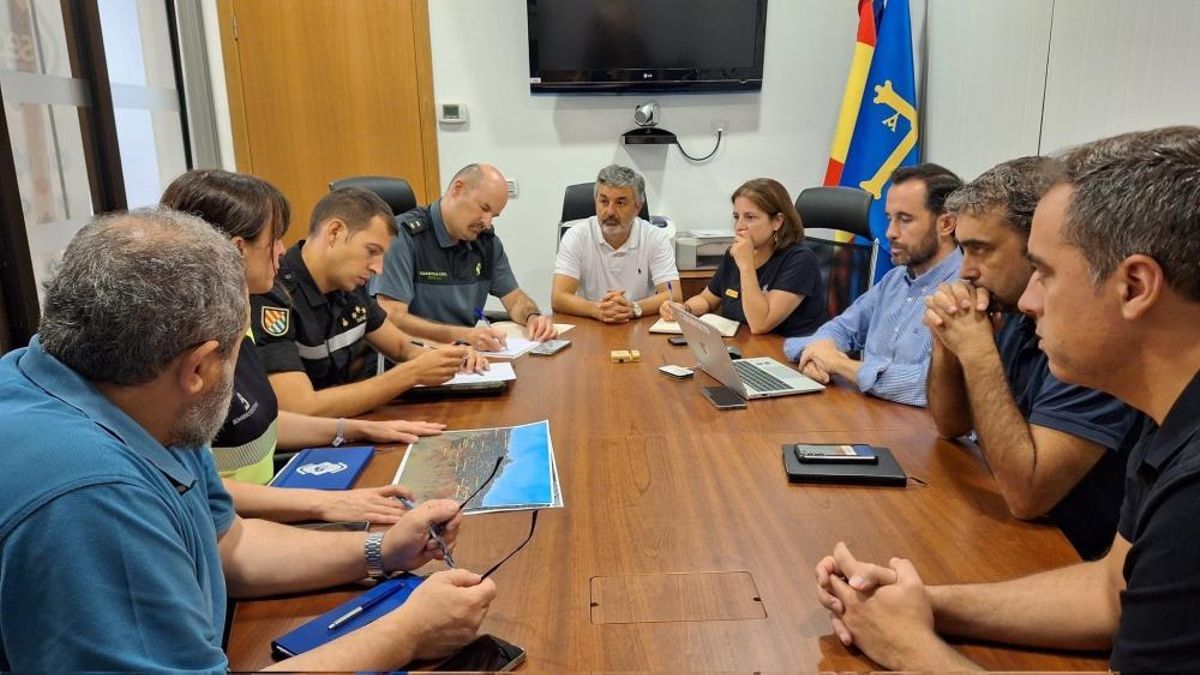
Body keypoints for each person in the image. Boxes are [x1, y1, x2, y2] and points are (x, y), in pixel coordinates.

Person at [0, 209, 496, 671]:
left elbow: (230, 544)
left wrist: (379, 549)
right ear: (198, 367)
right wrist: (407, 633)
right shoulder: (90, 495)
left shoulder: (135, 395)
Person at [813, 127, 1200, 671]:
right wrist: (922, 603)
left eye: (1044, 271)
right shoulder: (1174, 423)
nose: (1031, 300)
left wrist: (910, 648)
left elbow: (1029, 494)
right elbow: (1110, 594)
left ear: (1135, 287)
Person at [162, 169, 446, 523]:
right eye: (274, 239)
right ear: (235, 251)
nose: (281, 250)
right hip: (240, 525)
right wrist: (321, 504)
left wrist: (353, 428)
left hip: (263, 505)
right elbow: (200, 486)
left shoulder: (234, 324)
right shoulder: (191, 351)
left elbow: (262, 422)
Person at [924, 157, 1146, 559]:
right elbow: (949, 424)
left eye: (980, 250)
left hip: (1068, 555)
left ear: (1037, 245)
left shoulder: (1092, 336)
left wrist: (976, 353)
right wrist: (947, 340)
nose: (965, 271)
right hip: (1008, 531)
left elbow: (1028, 494)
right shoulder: (1008, 307)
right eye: (962, 250)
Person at [251, 187, 483, 418]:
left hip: (355, 426)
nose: (378, 268)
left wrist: (450, 355)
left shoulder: (350, 286)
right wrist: (410, 374)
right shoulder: (273, 294)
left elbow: (402, 346)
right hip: (312, 445)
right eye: (372, 251)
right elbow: (300, 407)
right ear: (335, 233)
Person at [782, 164, 963, 406]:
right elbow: (841, 329)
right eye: (889, 219)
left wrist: (838, 364)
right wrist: (819, 351)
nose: (890, 232)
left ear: (946, 224)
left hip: (924, 434)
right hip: (868, 414)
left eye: (905, 220)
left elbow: (930, 385)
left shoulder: (964, 291)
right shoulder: (895, 280)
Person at [375, 163, 557, 350]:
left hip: (467, 356)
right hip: (411, 355)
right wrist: (463, 335)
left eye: (493, 215)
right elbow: (392, 316)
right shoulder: (403, 237)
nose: (487, 222)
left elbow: (515, 299)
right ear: (458, 189)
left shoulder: (486, 242)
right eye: (484, 208)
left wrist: (532, 317)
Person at [659, 178, 825, 335]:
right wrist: (684, 310)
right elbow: (708, 299)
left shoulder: (800, 260)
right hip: (745, 347)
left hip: (788, 355)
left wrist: (746, 266)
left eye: (750, 217)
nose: (739, 226)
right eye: (736, 217)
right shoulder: (735, 253)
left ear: (777, 221)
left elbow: (760, 324)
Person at [551, 164, 680, 322]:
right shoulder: (576, 236)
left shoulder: (655, 237)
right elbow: (559, 298)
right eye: (604, 201)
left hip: (638, 326)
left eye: (620, 203)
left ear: (637, 207)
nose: (610, 211)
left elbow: (674, 295)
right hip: (589, 325)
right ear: (595, 202)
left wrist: (633, 308)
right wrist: (596, 309)